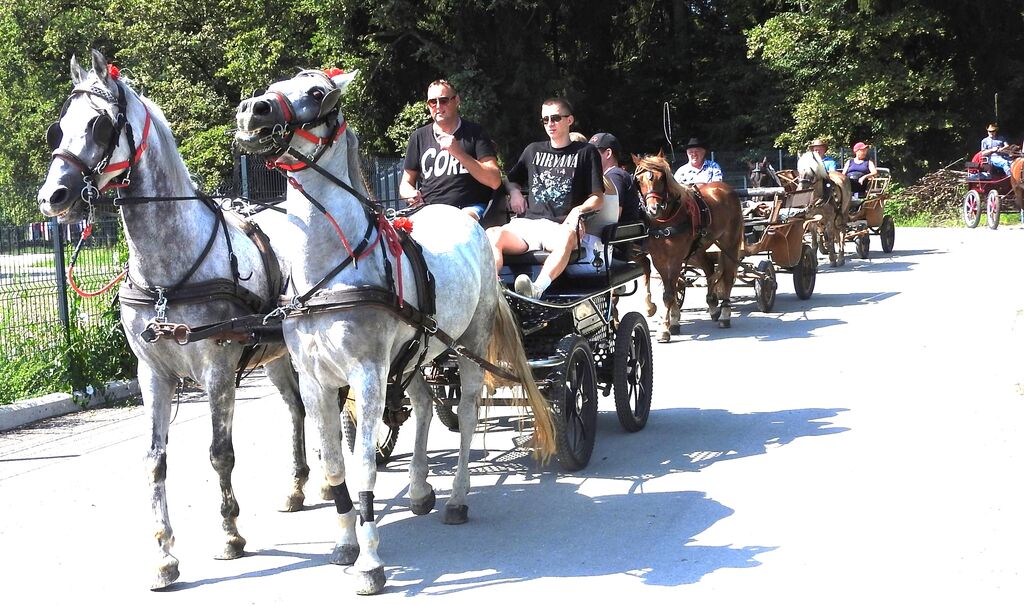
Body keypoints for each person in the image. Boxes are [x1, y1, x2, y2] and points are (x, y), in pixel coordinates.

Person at [486, 98, 604, 299]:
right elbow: (511, 180)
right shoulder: (533, 150)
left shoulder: (586, 152)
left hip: (560, 226)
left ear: (569, 120)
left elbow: (597, 197)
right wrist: (514, 193)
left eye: (556, 118)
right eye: (545, 120)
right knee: (492, 233)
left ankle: (537, 289)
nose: (550, 124)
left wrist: (578, 211)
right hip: (528, 224)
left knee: (566, 237)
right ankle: (493, 290)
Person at [399, 79, 501, 220]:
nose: (438, 106)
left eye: (444, 100)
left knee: (458, 225)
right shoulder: (418, 137)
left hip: (468, 209)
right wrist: (410, 193)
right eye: (433, 102)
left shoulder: (476, 133)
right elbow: (406, 182)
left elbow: (494, 180)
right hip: (429, 210)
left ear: (457, 100)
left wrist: (458, 153)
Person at [589, 132, 641, 223]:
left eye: (593, 153)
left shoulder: (614, 176)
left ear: (608, 154)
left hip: (616, 235)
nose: (589, 157)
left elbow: (613, 215)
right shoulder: (616, 174)